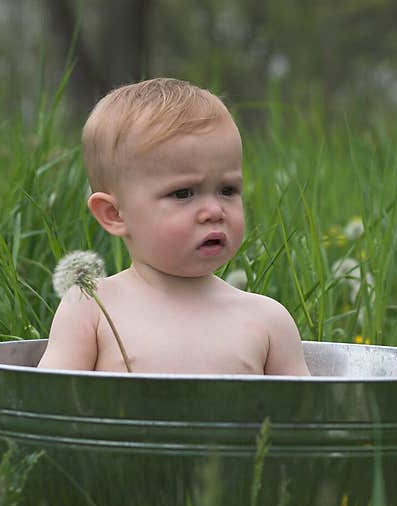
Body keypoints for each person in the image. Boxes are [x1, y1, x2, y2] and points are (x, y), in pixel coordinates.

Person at [37, 77, 311, 376]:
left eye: (228, 190)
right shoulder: (91, 307)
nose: (214, 210)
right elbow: (51, 404)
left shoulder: (267, 320)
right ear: (114, 214)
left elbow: (301, 415)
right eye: (183, 193)